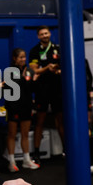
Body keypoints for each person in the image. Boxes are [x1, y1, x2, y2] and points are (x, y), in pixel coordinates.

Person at [28, 25, 64, 164]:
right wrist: (48, 68)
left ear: (50, 34)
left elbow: (63, 66)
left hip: (57, 89)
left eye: (46, 33)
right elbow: (35, 70)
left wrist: (57, 70)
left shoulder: (57, 49)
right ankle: (36, 153)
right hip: (41, 90)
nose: (45, 35)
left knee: (60, 121)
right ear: (38, 36)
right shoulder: (34, 51)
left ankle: (65, 150)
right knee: (39, 121)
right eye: (42, 34)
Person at [4, 48, 38, 172]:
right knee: (12, 134)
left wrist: (34, 81)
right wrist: (23, 79)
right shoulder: (9, 71)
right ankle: (12, 162)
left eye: (24, 57)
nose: (23, 59)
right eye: (20, 57)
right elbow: (9, 89)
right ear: (14, 58)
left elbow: (32, 89)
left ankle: (26, 160)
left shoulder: (29, 71)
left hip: (26, 107)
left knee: (25, 134)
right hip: (13, 107)